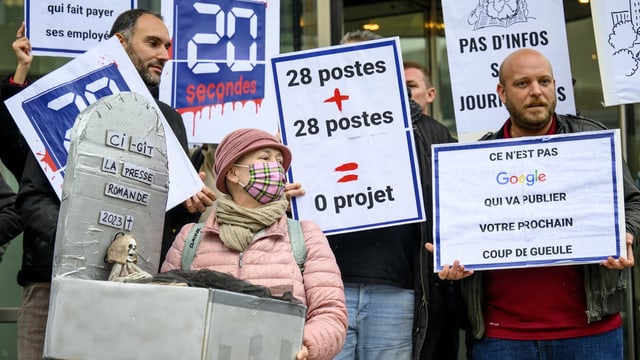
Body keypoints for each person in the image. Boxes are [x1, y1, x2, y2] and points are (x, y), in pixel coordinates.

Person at [15, 10, 216, 359]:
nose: (165, 55)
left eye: (167, 45)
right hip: (53, 286)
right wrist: (81, 245)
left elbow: (168, 223)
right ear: (120, 43)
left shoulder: (169, 121)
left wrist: (188, 208)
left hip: (134, 293)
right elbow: (31, 199)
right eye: (153, 43)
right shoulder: (65, 108)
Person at [431, 48, 640, 359]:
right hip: (501, 337)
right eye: (523, 84)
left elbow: (633, 202)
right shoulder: (475, 160)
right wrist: (453, 258)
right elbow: (462, 230)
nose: (536, 92)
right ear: (502, 92)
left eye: (544, 81)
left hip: (591, 333)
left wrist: (625, 234)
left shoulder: (590, 140)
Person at [161, 128, 347, 360]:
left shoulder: (306, 236)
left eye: (279, 162)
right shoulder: (191, 238)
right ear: (232, 173)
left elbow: (330, 312)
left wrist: (305, 345)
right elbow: (163, 308)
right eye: (264, 158)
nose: (276, 167)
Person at [330, 29, 459, 360]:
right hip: (329, 288)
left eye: (365, 64)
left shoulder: (429, 133)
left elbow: (453, 203)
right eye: (344, 64)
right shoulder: (310, 128)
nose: (354, 72)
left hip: (397, 290)